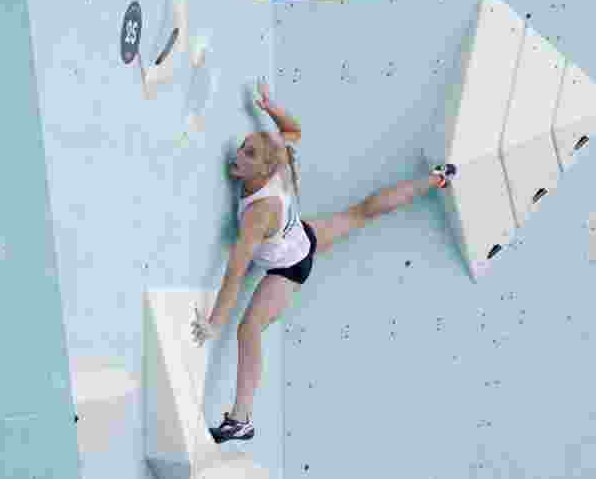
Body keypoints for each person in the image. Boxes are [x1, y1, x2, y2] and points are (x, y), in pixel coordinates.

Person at [190, 77, 456, 443]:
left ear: (266, 169)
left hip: (288, 269)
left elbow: (236, 272)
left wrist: (214, 323)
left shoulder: (258, 213)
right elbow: (293, 129)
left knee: (247, 329)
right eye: (243, 147)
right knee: (362, 211)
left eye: (249, 154)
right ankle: (438, 179)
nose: (238, 155)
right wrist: (269, 108)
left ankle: (241, 419)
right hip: (304, 236)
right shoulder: (279, 158)